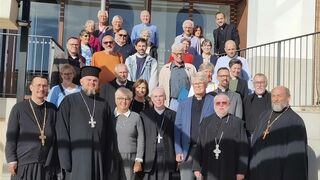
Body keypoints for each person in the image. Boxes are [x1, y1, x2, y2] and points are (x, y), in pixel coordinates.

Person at [56, 66, 115, 180]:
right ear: (81, 81)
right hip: (76, 157)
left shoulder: (103, 104)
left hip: (99, 156)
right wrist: (65, 160)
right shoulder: (69, 101)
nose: (91, 83)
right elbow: (62, 131)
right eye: (89, 80)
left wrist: (108, 159)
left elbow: (109, 134)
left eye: (95, 80)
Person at [5, 75, 58, 180]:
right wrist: (11, 160)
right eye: (38, 85)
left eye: (44, 86)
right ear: (31, 87)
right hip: (24, 164)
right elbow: (11, 136)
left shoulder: (52, 109)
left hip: (46, 165)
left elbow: (57, 136)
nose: (41, 89)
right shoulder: (19, 108)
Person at [249, 86, 308, 180]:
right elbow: (254, 142)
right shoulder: (264, 115)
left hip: (278, 172)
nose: (275, 99)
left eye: (279, 96)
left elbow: (296, 157)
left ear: (288, 98)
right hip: (258, 170)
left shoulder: (295, 121)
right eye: (273, 96)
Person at [193, 93, 248, 180]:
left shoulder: (238, 123)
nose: (221, 105)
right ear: (214, 105)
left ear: (229, 105)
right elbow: (200, 145)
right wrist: (196, 167)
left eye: (224, 103)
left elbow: (243, 149)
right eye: (218, 103)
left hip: (230, 168)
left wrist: (241, 171)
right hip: (209, 167)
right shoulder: (206, 122)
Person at [174, 72, 215, 180]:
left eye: (200, 83)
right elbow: (178, 128)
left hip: (206, 151)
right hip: (187, 151)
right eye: (195, 83)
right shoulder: (184, 103)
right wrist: (178, 151)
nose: (197, 86)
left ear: (206, 85)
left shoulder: (213, 102)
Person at [140, 87, 177, 180]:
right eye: (155, 96)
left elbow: (176, 137)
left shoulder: (173, 115)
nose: (158, 99)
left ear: (165, 98)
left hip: (167, 157)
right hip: (150, 157)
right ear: (152, 99)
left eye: (161, 96)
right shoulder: (144, 115)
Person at [113, 87, 144, 180]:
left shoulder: (136, 117)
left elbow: (141, 139)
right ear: (115, 100)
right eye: (121, 98)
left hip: (130, 158)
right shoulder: (109, 116)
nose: (124, 101)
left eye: (127, 99)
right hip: (112, 157)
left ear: (131, 101)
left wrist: (138, 160)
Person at [159, 43, 196, 108]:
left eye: (181, 53)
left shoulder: (191, 68)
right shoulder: (165, 69)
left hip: (187, 101)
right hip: (172, 102)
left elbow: (195, 85)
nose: (179, 56)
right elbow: (161, 87)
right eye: (177, 54)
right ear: (172, 54)